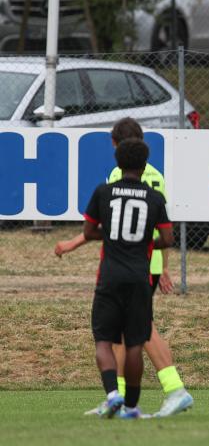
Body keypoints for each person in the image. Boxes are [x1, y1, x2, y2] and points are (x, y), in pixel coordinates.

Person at [56, 117, 193, 418]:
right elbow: (162, 226)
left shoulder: (117, 177)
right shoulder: (155, 176)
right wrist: (165, 265)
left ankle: (175, 388)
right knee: (127, 332)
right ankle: (117, 398)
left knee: (142, 332)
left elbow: (111, 226)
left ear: (117, 146)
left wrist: (73, 243)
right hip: (148, 261)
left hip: (127, 261)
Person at [82, 138, 174, 418]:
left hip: (109, 275)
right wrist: (144, 242)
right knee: (135, 343)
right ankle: (131, 406)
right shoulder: (153, 197)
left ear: (118, 164)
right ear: (144, 165)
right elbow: (168, 238)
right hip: (139, 276)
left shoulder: (103, 192)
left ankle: (112, 395)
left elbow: (88, 232)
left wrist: (112, 237)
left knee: (103, 340)